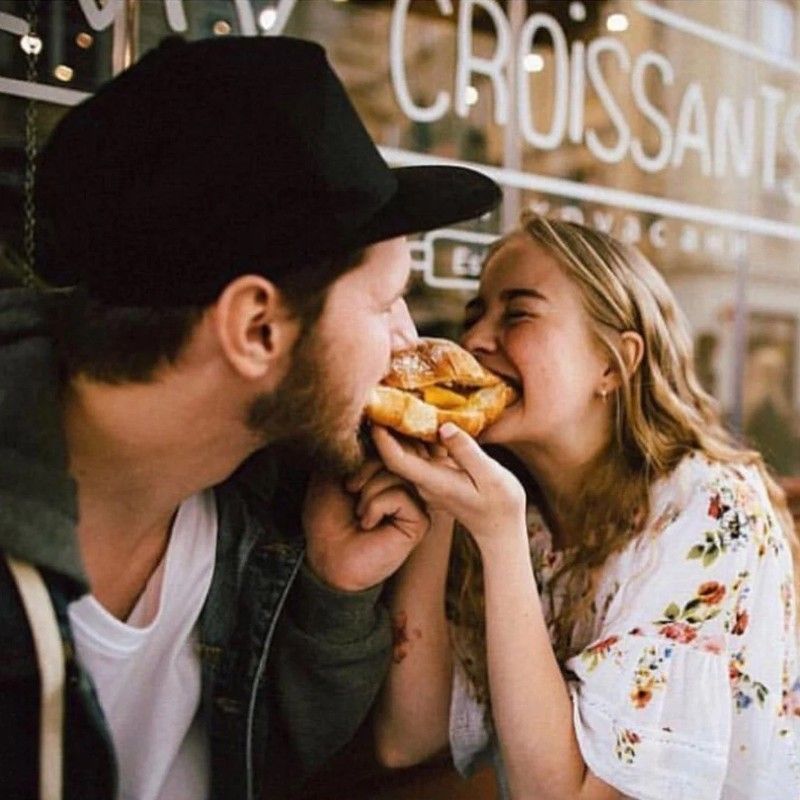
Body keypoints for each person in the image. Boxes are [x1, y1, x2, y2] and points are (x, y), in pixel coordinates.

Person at [0, 36, 501, 800]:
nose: (409, 341)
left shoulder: (248, 506)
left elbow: (268, 763)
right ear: (257, 328)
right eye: (381, 304)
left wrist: (332, 594)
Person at [371, 213, 800, 799]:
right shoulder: (518, 511)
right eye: (476, 314)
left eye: (517, 313)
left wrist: (497, 539)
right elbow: (406, 738)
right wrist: (441, 507)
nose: (474, 341)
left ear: (614, 363)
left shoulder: (710, 511)